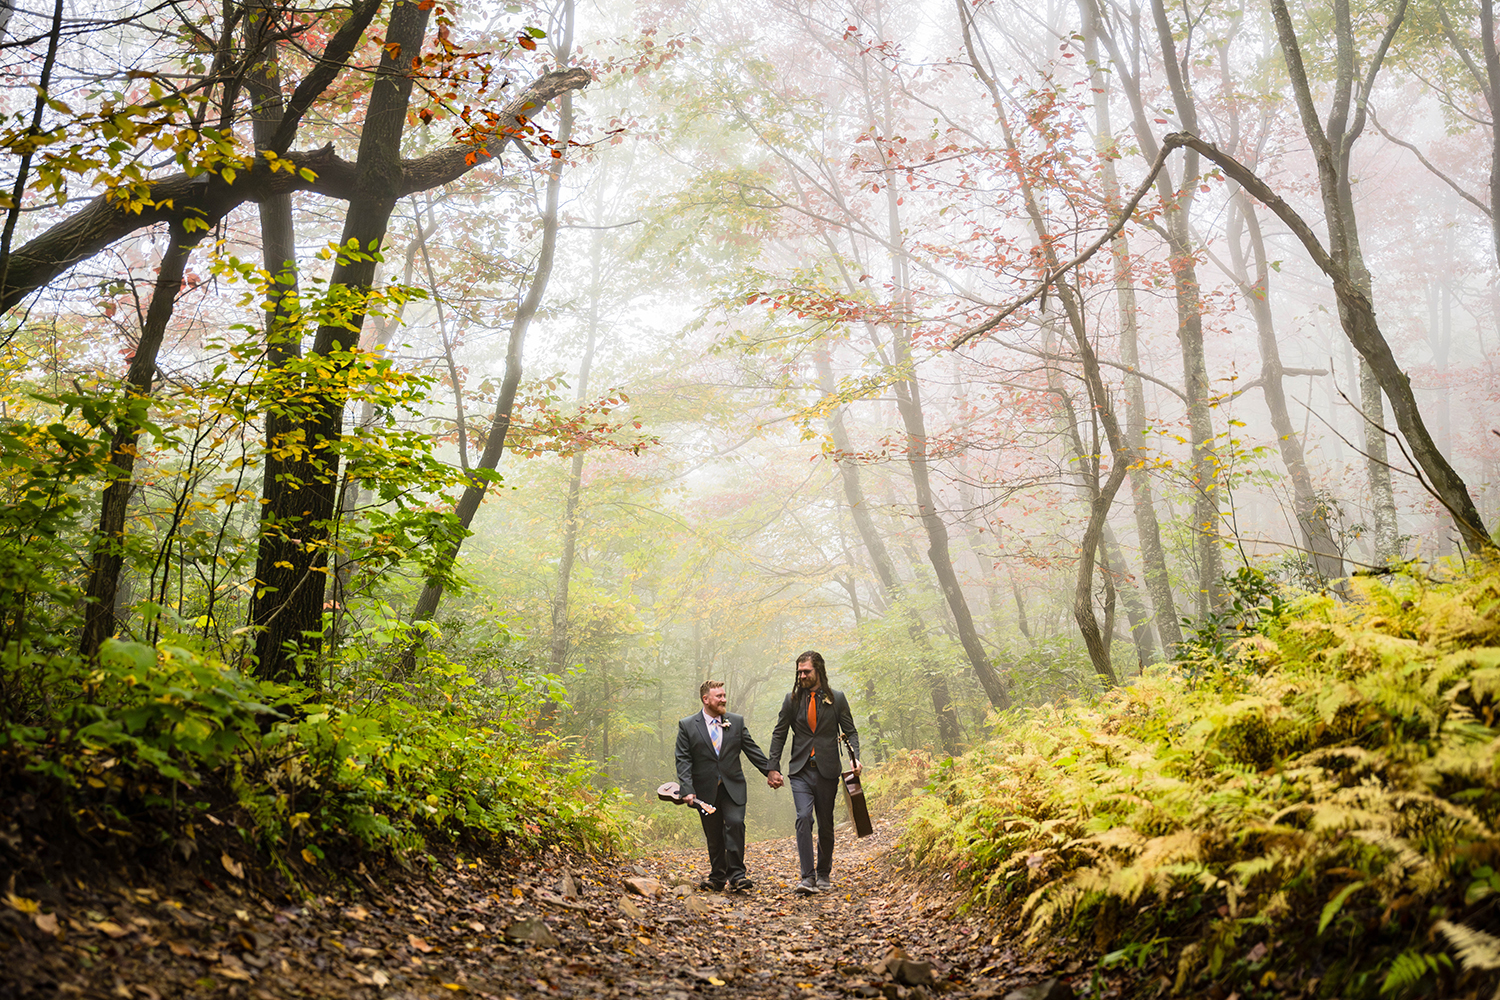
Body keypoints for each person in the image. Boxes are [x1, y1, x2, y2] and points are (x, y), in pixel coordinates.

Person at [767, 650, 860, 896]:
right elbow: (780, 733)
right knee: (803, 817)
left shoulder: (836, 698)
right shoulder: (791, 700)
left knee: (826, 823)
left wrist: (855, 758)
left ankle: (824, 873)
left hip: (828, 770)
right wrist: (772, 767)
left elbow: (851, 732)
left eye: (806, 671)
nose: (802, 675)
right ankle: (807, 877)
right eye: (799, 672)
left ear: (818, 670)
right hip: (799, 771)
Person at [675, 679, 776, 892]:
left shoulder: (736, 722)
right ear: (706, 699)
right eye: (719, 696)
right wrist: (687, 788)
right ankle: (718, 877)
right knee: (713, 833)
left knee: (735, 823)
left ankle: (738, 875)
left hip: (733, 787)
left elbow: (752, 749)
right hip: (704, 791)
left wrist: (770, 770)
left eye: (724, 695)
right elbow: (683, 759)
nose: (724, 699)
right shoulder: (687, 726)